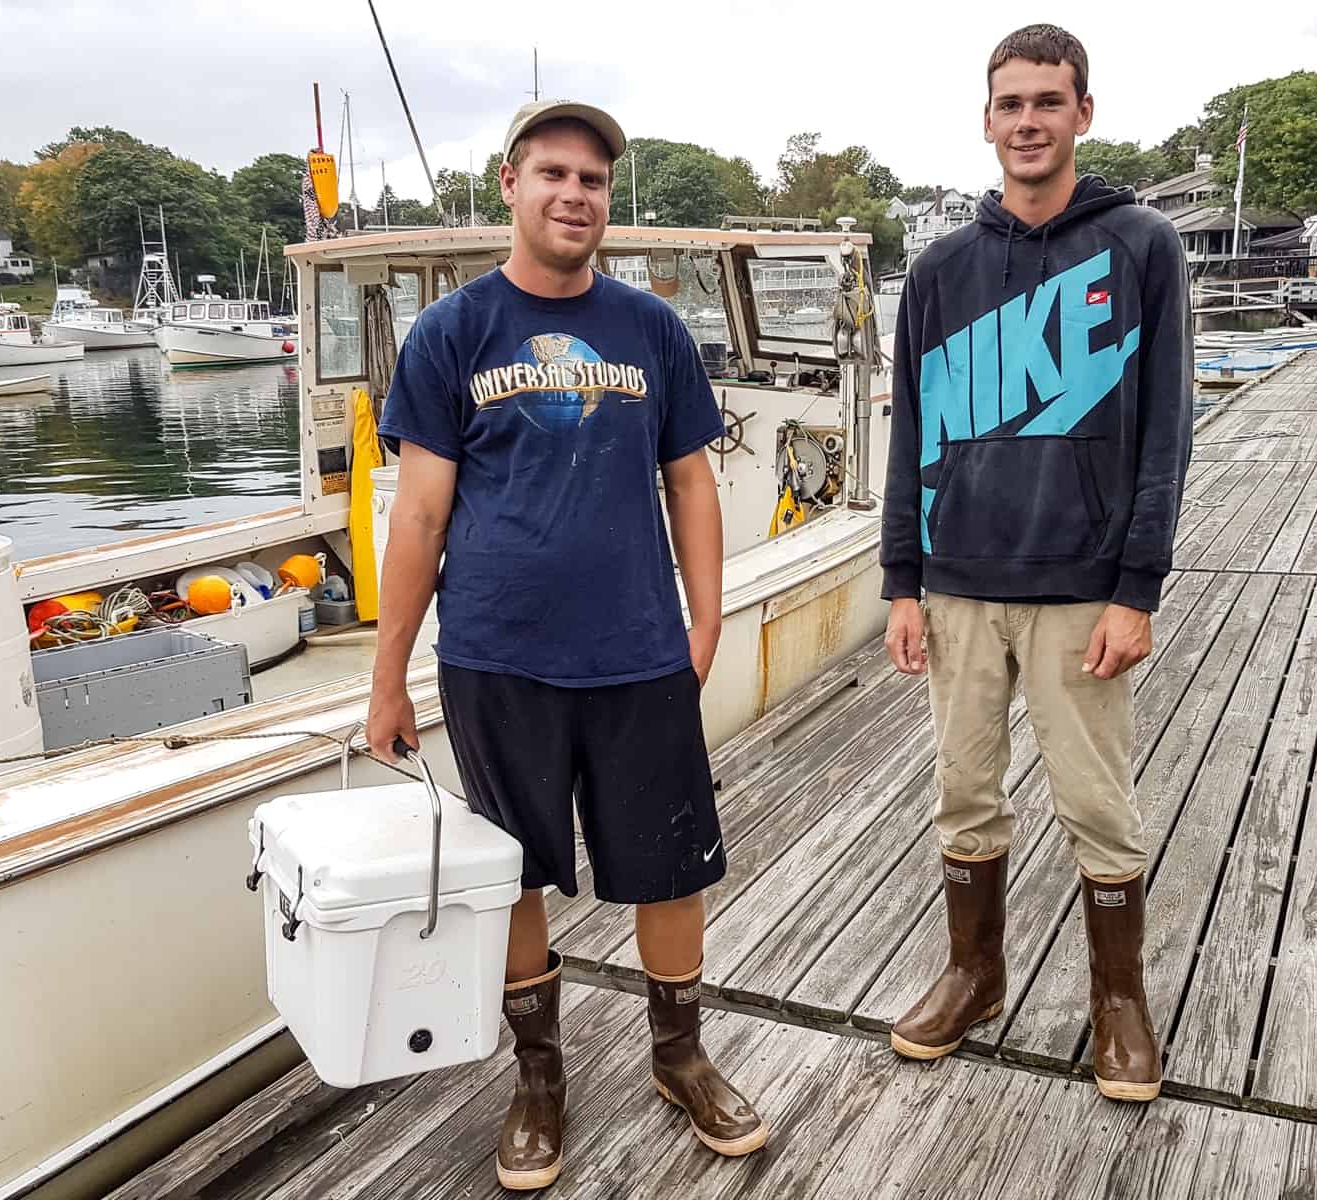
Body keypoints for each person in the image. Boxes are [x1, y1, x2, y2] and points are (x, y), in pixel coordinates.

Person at [366, 99, 767, 1190]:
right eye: (554, 173)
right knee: (512, 876)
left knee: (672, 867)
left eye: (592, 180)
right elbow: (418, 517)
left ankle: (679, 1056)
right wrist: (388, 674)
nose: (575, 195)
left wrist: (707, 612)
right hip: (496, 655)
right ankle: (540, 1081)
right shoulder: (451, 335)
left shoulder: (651, 331)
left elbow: (691, 478)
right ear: (510, 183)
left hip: (639, 652)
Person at [878, 25, 1192, 1103]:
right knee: (963, 796)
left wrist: (1136, 587)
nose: (1027, 122)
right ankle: (976, 974)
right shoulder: (940, 269)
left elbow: (1165, 433)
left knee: (1096, 805)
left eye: (1047, 102)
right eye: (1009, 103)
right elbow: (911, 426)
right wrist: (901, 581)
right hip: (960, 583)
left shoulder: (1143, 246)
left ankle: (1119, 1002)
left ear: (1082, 114)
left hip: (1080, 588)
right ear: (986, 119)